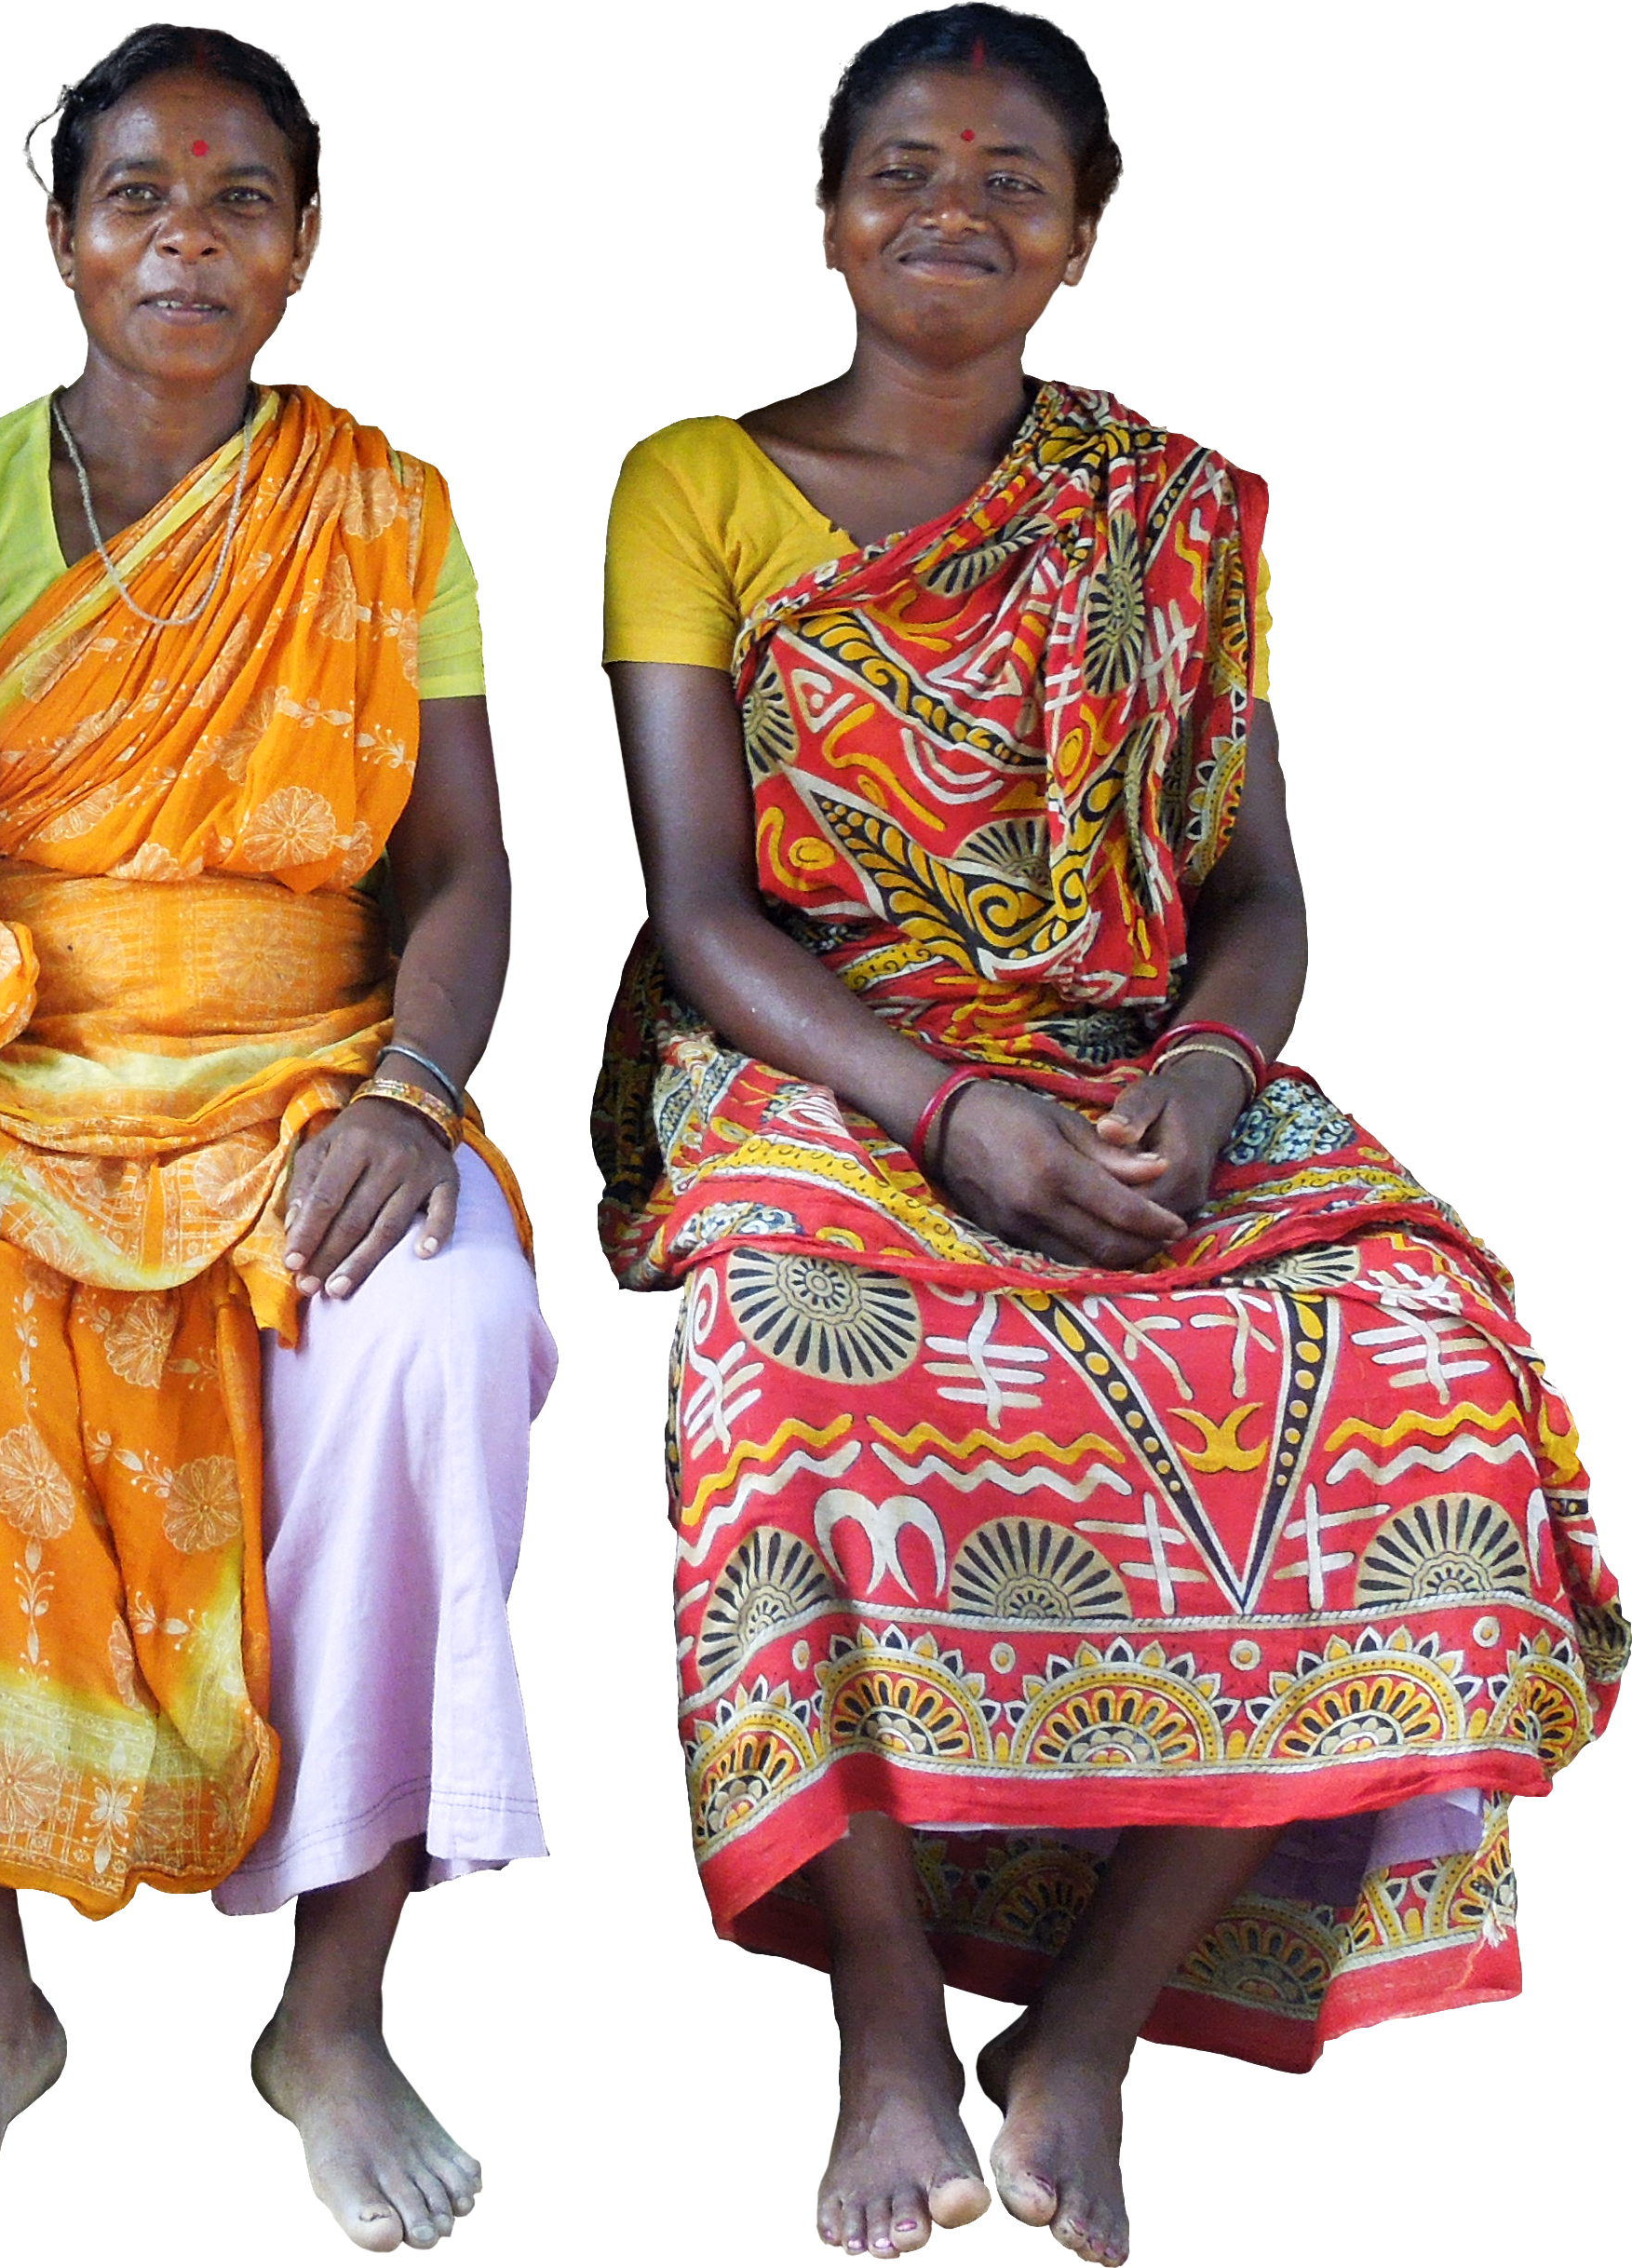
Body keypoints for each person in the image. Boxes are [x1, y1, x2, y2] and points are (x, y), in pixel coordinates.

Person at [604, 14, 1620, 2259]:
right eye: (901, 164)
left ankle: (1092, 2021)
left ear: (1083, 247)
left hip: (1144, 1062)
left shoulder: (1165, 514)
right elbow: (693, 906)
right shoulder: (698, 483)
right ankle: (882, 2012)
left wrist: (1203, 1082)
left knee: (1429, 1374)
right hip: (828, 1070)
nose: (951, 205)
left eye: (1010, 177)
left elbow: (1254, 894)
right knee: (785, 1366)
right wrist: (949, 1112)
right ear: (831, 212)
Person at [0, 30, 555, 2247]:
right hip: (11, 1055)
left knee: (456, 1337)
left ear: (300, 252)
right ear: (63, 241)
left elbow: (487, 871)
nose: (185, 237)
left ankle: (338, 2005)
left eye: (237, 201)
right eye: (136, 195)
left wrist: (413, 1092)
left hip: (314, 1071)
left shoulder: (396, 516)